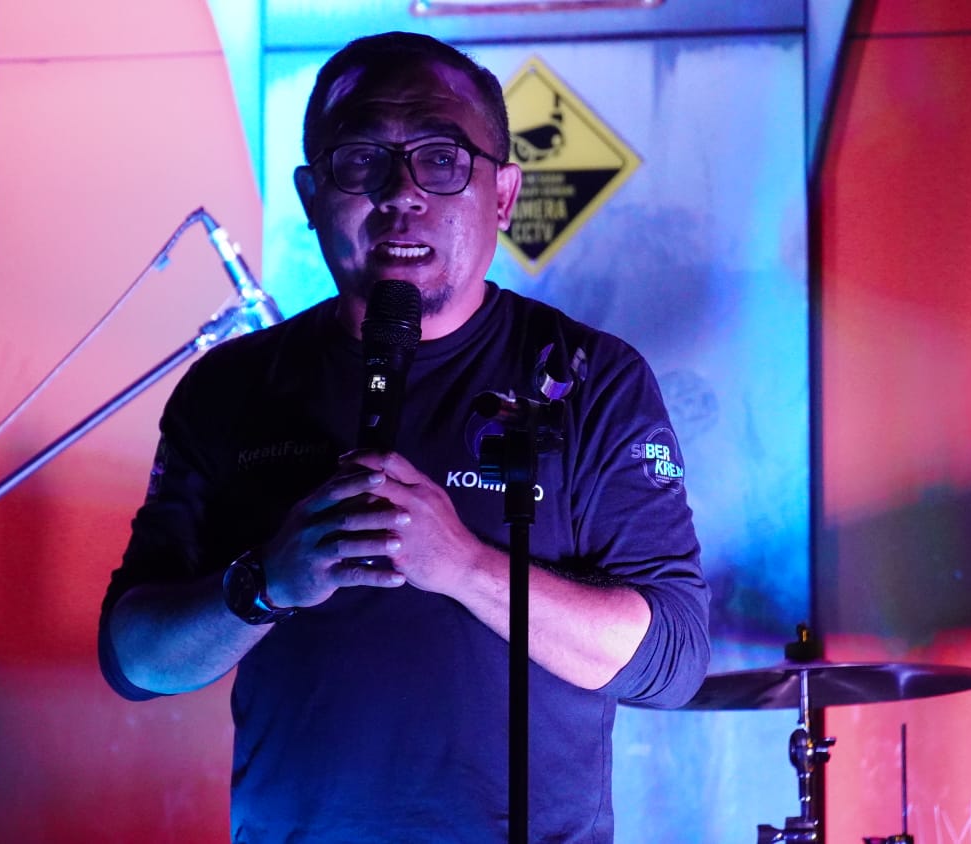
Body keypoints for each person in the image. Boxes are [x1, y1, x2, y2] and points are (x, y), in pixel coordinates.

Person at [98, 31, 710, 843]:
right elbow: (135, 660)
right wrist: (267, 582)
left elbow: (673, 658)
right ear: (312, 194)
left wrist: (462, 565)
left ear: (503, 195)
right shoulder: (232, 386)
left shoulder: (589, 377)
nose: (401, 194)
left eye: (442, 159)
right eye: (361, 160)